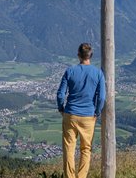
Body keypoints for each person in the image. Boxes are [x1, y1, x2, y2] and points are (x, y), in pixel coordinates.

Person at [56, 43, 106, 178]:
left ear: (78, 55)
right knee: (86, 149)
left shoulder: (70, 71)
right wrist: (97, 112)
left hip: (70, 114)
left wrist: (61, 108)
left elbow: (60, 94)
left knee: (69, 149)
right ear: (91, 56)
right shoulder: (98, 73)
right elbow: (101, 97)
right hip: (88, 116)